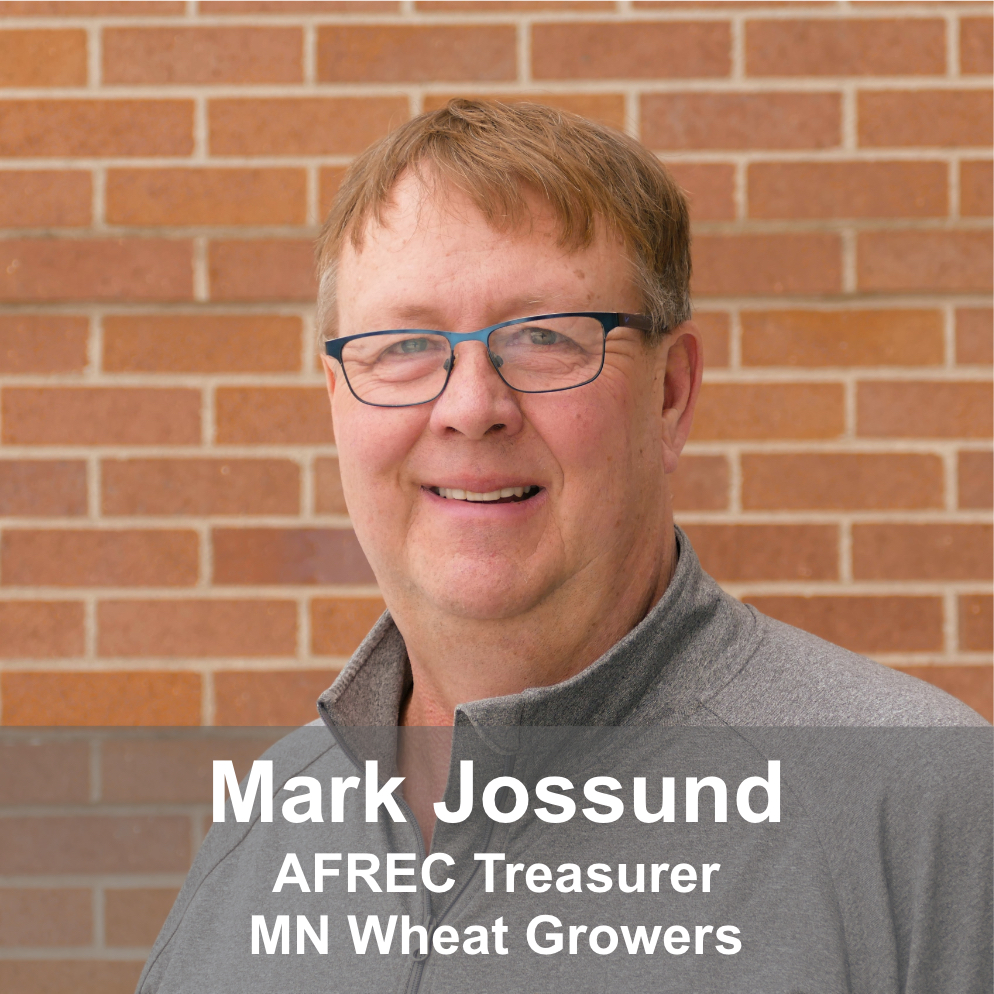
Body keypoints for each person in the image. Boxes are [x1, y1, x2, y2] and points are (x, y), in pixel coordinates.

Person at [136, 100, 990, 994]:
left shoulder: (920, 811)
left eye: (544, 338)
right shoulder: (265, 831)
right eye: (405, 347)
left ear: (671, 394)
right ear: (337, 398)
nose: (471, 406)